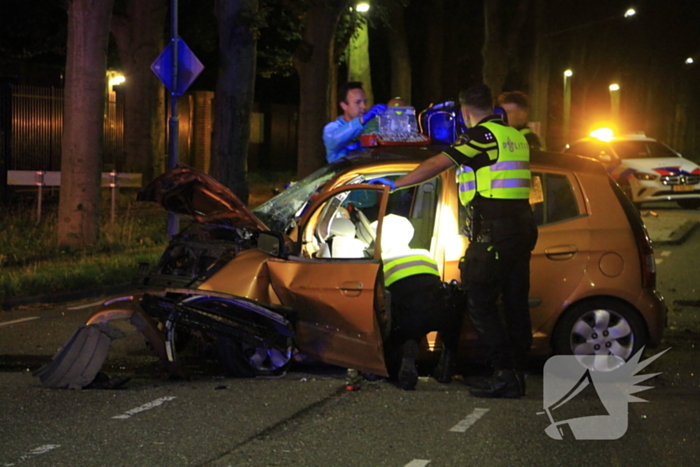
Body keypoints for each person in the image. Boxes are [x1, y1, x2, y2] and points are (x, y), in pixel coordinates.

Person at [371, 84, 538, 398]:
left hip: (493, 234)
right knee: (515, 304)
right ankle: (517, 371)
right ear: (492, 105)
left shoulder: (481, 137)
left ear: (464, 111)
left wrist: (394, 185)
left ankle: (504, 375)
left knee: (480, 303)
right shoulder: (515, 136)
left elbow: (438, 164)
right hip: (520, 229)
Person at [373, 214, 461, 390]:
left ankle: (408, 351)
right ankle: (447, 361)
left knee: (401, 326)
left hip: (410, 318)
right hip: (441, 312)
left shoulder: (383, 262)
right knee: (447, 306)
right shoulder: (425, 255)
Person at [323, 82, 387, 163]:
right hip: (345, 174)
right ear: (344, 106)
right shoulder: (331, 128)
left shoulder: (373, 126)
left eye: (365, 102)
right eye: (358, 102)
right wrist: (362, 120)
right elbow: (334, 141)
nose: (364, 107)